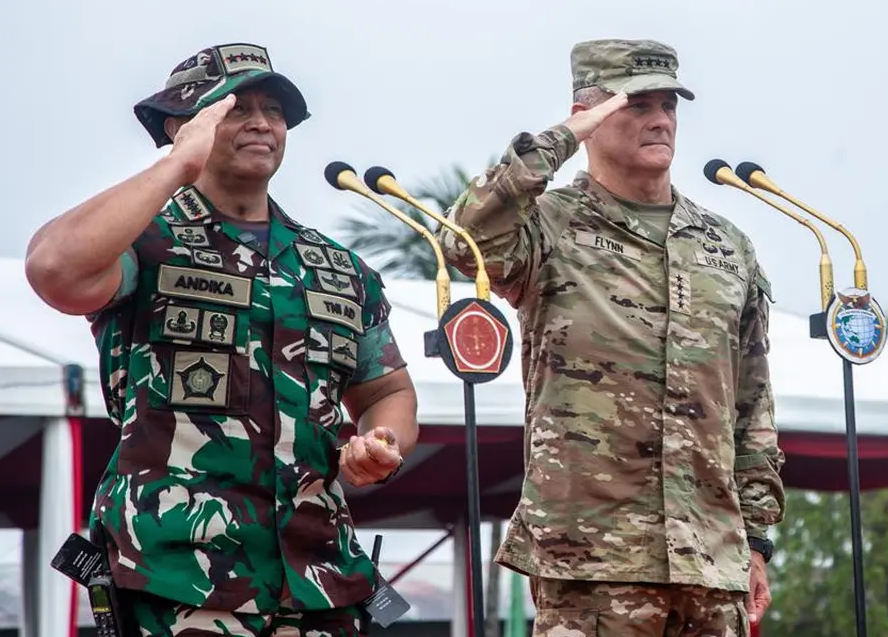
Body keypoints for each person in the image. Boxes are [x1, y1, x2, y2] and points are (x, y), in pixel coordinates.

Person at [25, 42, 416, 636]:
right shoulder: (145, 239)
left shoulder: (337, 268)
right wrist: (178, 166)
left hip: (320, 579)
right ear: (185, 125)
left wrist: (381, 441)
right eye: (237, 107)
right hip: (177, 573)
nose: (263, 122)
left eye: (275, 110)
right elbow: (55, 271)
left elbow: (388, 389)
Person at [435, 38, 786, 636]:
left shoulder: (724, 245)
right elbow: (464, 242)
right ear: (590, 117)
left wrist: (755, 540)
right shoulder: (549, 225)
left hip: (710, 557)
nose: (661, 119)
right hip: (591, 560)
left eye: (670, 104)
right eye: (637, 103)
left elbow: (750, 402)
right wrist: (560, 139)